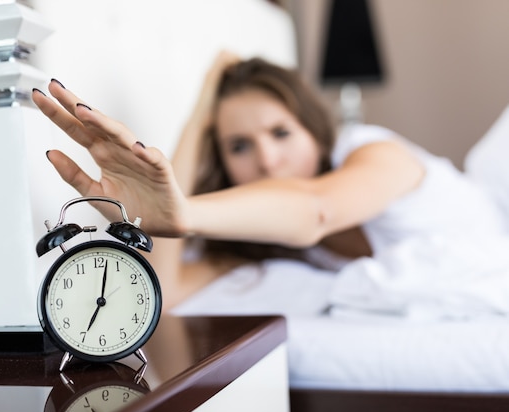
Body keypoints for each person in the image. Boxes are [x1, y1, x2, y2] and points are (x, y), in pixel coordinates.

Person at [32, 51, 506, 312]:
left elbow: (317, 208)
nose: (267, 158)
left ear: (315, 134)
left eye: (281, 132)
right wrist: (199, 118)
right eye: (239, 146)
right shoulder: (263, 234)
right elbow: (169, 290)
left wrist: (187, 213)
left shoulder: (375, 153)